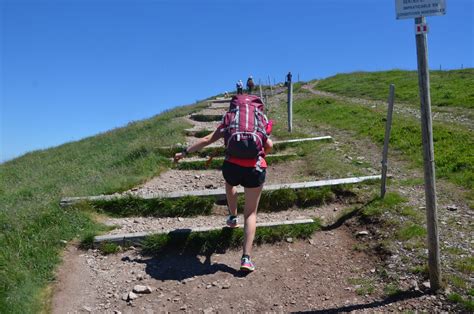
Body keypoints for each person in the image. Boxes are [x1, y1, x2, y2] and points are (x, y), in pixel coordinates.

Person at [174, 96, 273, 272]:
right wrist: (260, 154)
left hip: (232, 166)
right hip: (255, 169)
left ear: (234, 107)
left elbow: (206, 140)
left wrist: (184, 152)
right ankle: (246, 259)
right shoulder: (258, 120)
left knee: (230, 184)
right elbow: (270, 144)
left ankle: (233, 217)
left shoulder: (230, 120)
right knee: (250, 213)